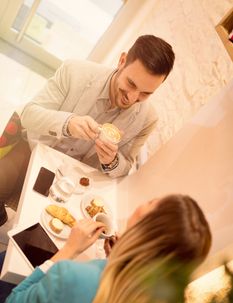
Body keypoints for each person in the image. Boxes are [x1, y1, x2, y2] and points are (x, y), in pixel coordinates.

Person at [0, 34, 175, 225]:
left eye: (145, 93)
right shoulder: (74, 71)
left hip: (79, 184)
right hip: (33, 153)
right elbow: (29, 114)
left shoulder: (148, 120)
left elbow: (124, 168)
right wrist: (68, 123)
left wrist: (111, 161)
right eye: (131, 84)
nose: (132, 98)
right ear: (122, 61)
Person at [0, 194, 211, 303]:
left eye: (150, 201)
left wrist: (68, 250)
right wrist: (117, 259)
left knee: (4, 261)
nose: (143, 202)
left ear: (148, 229)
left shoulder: (72, 277)